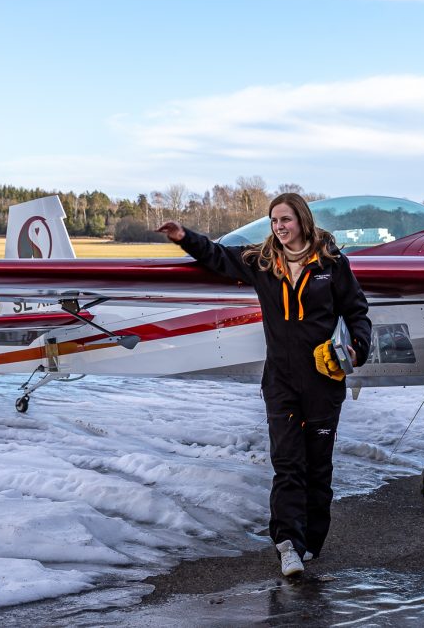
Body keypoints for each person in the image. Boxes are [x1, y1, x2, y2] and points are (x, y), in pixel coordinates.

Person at [158, 193, 371, 577]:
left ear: (302, 220)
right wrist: (184, 236)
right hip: (281, 383)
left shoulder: (332, 263)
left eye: (285, 220)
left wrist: (357, 349)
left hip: (324, 382)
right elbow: (217, 256)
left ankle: (311, 544)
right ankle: (288, 544)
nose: (279, 227)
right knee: (288, 465)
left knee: (318, 469)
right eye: (274, 221)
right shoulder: (262, 262)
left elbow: (357, 311)